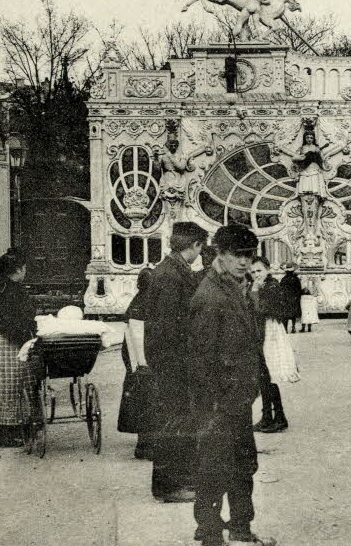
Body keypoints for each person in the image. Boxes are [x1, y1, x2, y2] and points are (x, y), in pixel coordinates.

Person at [188, 224, 277, 546]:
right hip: (218, 400)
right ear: (220, 255)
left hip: (237, 396)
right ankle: (210, 534)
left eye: (248, 256)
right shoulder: (210, 295)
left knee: (242, 466)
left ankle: (241, 527)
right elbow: (200, 356)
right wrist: (212, 404)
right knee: (214, 468)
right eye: (236, 255)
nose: (243, 261)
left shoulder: (239, 287)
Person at [137, 221, 208, 502]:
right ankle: (169, 486)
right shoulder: (171, 276)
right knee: (173, 423)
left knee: (175, 421)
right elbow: (169, 327)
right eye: (200, 248)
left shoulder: (170, 271)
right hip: (172, 361)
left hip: (169, 359)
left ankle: (176, 481)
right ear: (195, 246)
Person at [0, 249, 36, 448]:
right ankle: (13, 428)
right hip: (12, 340)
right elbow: (16, 319)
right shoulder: (14, 290)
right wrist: (27, 336)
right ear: (18, 270)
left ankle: (0, 427)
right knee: (14, 383)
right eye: (24, 268)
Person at [249, 258, 287, 434]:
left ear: (267, 270)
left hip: (269, 334)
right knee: (263, 376)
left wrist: (255, 291)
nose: (256, 275)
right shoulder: (264, 285)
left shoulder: (271, 286)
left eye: (259, 271)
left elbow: (260, 309)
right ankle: (272, 417)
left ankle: (275, 417)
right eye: (253, 272)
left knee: (267, 375)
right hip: (261, 332)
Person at [122, 267, 153, 460]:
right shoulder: (150, 303)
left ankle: (143, 443)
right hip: (144, 360)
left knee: (141, 401)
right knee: (149, 401)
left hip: (135, 360)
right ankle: (147, 445)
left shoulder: (137, 301)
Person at [278, 267, 303, 334]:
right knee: (293, 315)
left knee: (285, 315)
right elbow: (299, 289)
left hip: (286, 299)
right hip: (293, 299)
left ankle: (286, 329)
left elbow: (281, 289)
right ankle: (293, 327)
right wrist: (298, 297)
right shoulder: (296, 279)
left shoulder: (284, 279)